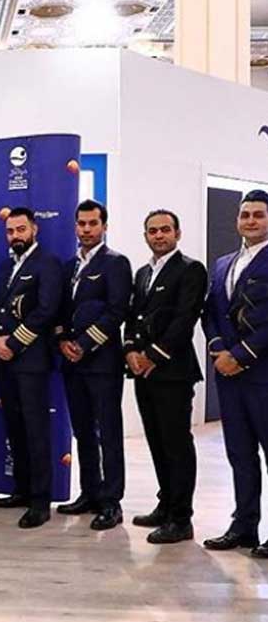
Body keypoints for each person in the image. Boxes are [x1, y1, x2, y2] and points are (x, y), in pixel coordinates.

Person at [124, 209, 207, 544]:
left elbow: (185, 319)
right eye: (152, 230)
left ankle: (181, 519)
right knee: (156, 441)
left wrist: (152, 356)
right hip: (142, 373)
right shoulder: (143, 272)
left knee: (176, 445)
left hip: (173, 372)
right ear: (146, 235)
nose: (159, 235)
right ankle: (166, 504)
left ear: (177, 233)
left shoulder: (190, 269)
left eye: (165, 230)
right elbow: (132, 316)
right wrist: (130, 351)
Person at [55, 199, 132, 531]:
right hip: (71, 363)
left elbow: (117, 311)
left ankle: (112, 501)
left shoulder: (116, 263)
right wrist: (62, 340)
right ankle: (90, 492)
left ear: (104, 226)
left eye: (93, 223)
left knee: (109, 432)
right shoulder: (69, 266)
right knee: (83, 431)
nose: (86, 229)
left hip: (102, 363)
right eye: (81, 223)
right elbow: (60, 310)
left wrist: (84, 344)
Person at [0, 207, 62, 529]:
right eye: (10, 231)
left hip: (30, 361)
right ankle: (22, 490)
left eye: (20, 229)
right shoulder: (6, 266)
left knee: (35, 431)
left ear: (34, 229)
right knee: (15, 428)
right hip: (4, 361)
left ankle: (40, 502)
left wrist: (12, 343)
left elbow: (46, 310)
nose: (15, 235)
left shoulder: (48, 263)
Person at [203, 189, 268, 556]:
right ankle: (244, 526)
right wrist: (218, 348)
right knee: (239, 454)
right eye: (245, 215)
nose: (251, 220)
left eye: (258, 214)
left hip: (262, 374)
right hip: (228, 376)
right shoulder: (223, 263)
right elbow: (210, 312)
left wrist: (241, 355)